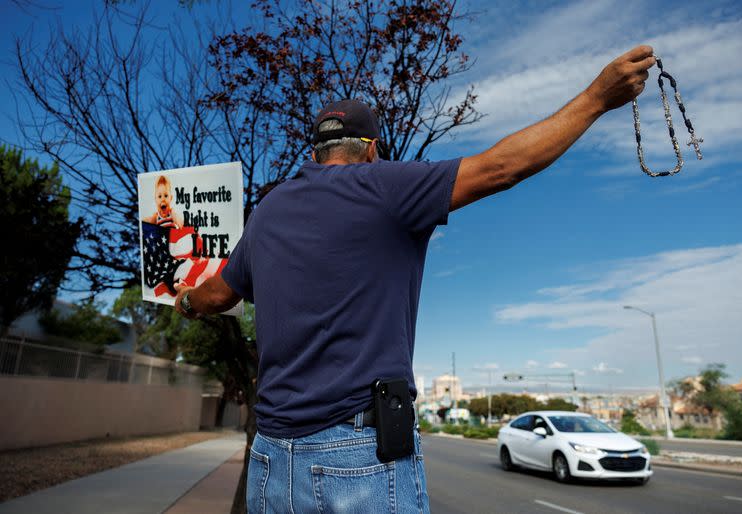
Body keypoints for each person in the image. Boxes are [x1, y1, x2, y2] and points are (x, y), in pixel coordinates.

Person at [174, 45, 655, 513]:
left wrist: (187, 302)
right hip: (357, 455)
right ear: (372, 149)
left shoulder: (268, 211)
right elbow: (502, 167)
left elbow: (217, 294)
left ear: (317, 152)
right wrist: (597, 98)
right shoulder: (384, 185)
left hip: (271, 456)